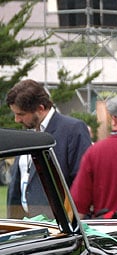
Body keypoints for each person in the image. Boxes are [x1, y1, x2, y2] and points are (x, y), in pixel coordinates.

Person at [5, 79, 92, 218]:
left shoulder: (73, 130)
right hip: (25, 226)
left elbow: (82, 182)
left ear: (40, 108)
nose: (17, 120)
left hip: (58, 227)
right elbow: (19, 182)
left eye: (21, 114)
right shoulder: (27, 132)